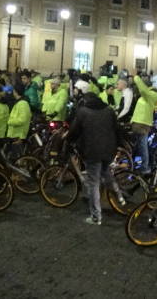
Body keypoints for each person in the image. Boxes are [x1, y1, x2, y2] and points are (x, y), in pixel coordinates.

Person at [66, 85, 121, 226]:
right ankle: (120, 197)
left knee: (93, 183)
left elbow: (74, 131)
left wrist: (68, 140)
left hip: (92, 151)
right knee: (106, 173)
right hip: (108, 150)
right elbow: (117, 129)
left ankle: (96, 217)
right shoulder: (109, 110)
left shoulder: (83, 111)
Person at [130, 75, 157, 175]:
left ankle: (145, 167)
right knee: (139, 145)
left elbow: (143, 90)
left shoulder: (151, 94)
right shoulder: (145, 96)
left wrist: (136, 77)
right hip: (138, 123)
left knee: (143, 146)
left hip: (143, 124)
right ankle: (133, 164)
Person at [6, 84, 32, 157]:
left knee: (17, 158)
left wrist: (9, 121)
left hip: (18, 135)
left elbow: (22, 120)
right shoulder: (18, 102)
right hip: (14, 134)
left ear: (16, 92)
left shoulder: (23, 104)